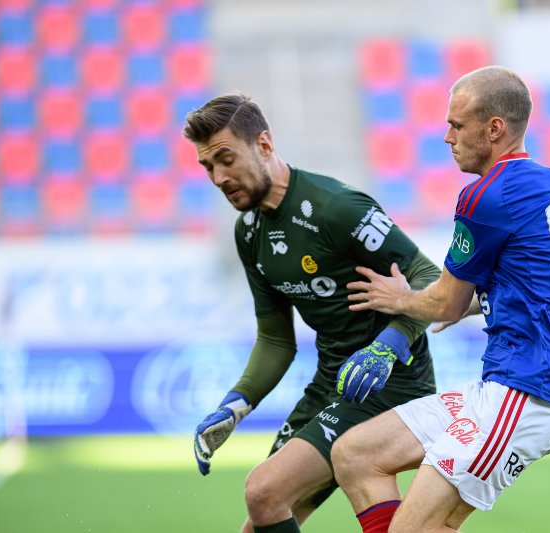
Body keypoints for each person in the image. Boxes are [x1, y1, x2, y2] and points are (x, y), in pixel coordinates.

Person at [331, 65, 550, 532]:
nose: (447, 137)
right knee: (355, 454)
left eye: (456, 125)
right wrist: (470, 302)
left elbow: (445, 303)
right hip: (509, 386)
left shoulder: (486, 194)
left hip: (525, 391)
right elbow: (530, 283)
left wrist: (401, 299)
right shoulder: (547, 183)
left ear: (494, 129)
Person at [183, 93, 440, 533]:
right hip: (332, 384)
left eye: (225, 159)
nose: (218, 177)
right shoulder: (248, 231)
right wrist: (237, 403)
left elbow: (428, 276)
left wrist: (387, 345)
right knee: (262, 517)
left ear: (264, 144)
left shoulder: (336, 207)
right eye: (208, 167)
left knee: (263, 490)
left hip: (389, 381)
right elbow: (276, 338)